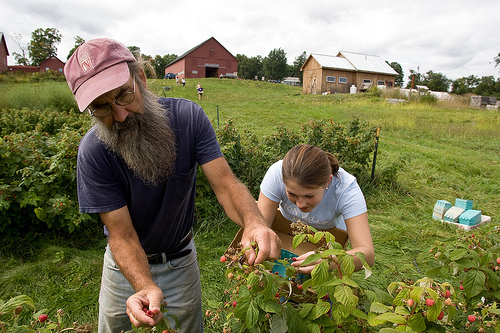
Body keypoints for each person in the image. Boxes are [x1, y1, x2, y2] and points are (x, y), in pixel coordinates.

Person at [64, 38, 281, 333]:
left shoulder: (189, 119)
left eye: (124, 95)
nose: (119, 115)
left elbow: (225, 185)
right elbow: (122, 234)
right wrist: (143, 286)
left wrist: (253, 221)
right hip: (122, 269)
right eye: (101, 107)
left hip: (179, 263)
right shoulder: (94, 151)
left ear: (140, 78)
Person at [257, 144, 374, 274]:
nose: (301, 204)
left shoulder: (347, 191)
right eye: (292, 194)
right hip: (288, 234)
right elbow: (259, 227)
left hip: (329, 242)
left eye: (309, 195)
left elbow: (367, 254)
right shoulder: (276, 174)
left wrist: (330, 261)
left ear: (327, 182)